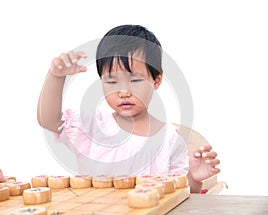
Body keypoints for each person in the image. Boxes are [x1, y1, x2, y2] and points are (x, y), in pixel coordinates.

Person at [37, 24, 220, 193]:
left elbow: (181, 195)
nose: (123, 92)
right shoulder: (92, 127)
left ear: (156, 80)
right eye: (112, 81)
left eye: (135, 80)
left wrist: (194, 179)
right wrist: (56, 76)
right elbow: (49, 120)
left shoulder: (170, 141)